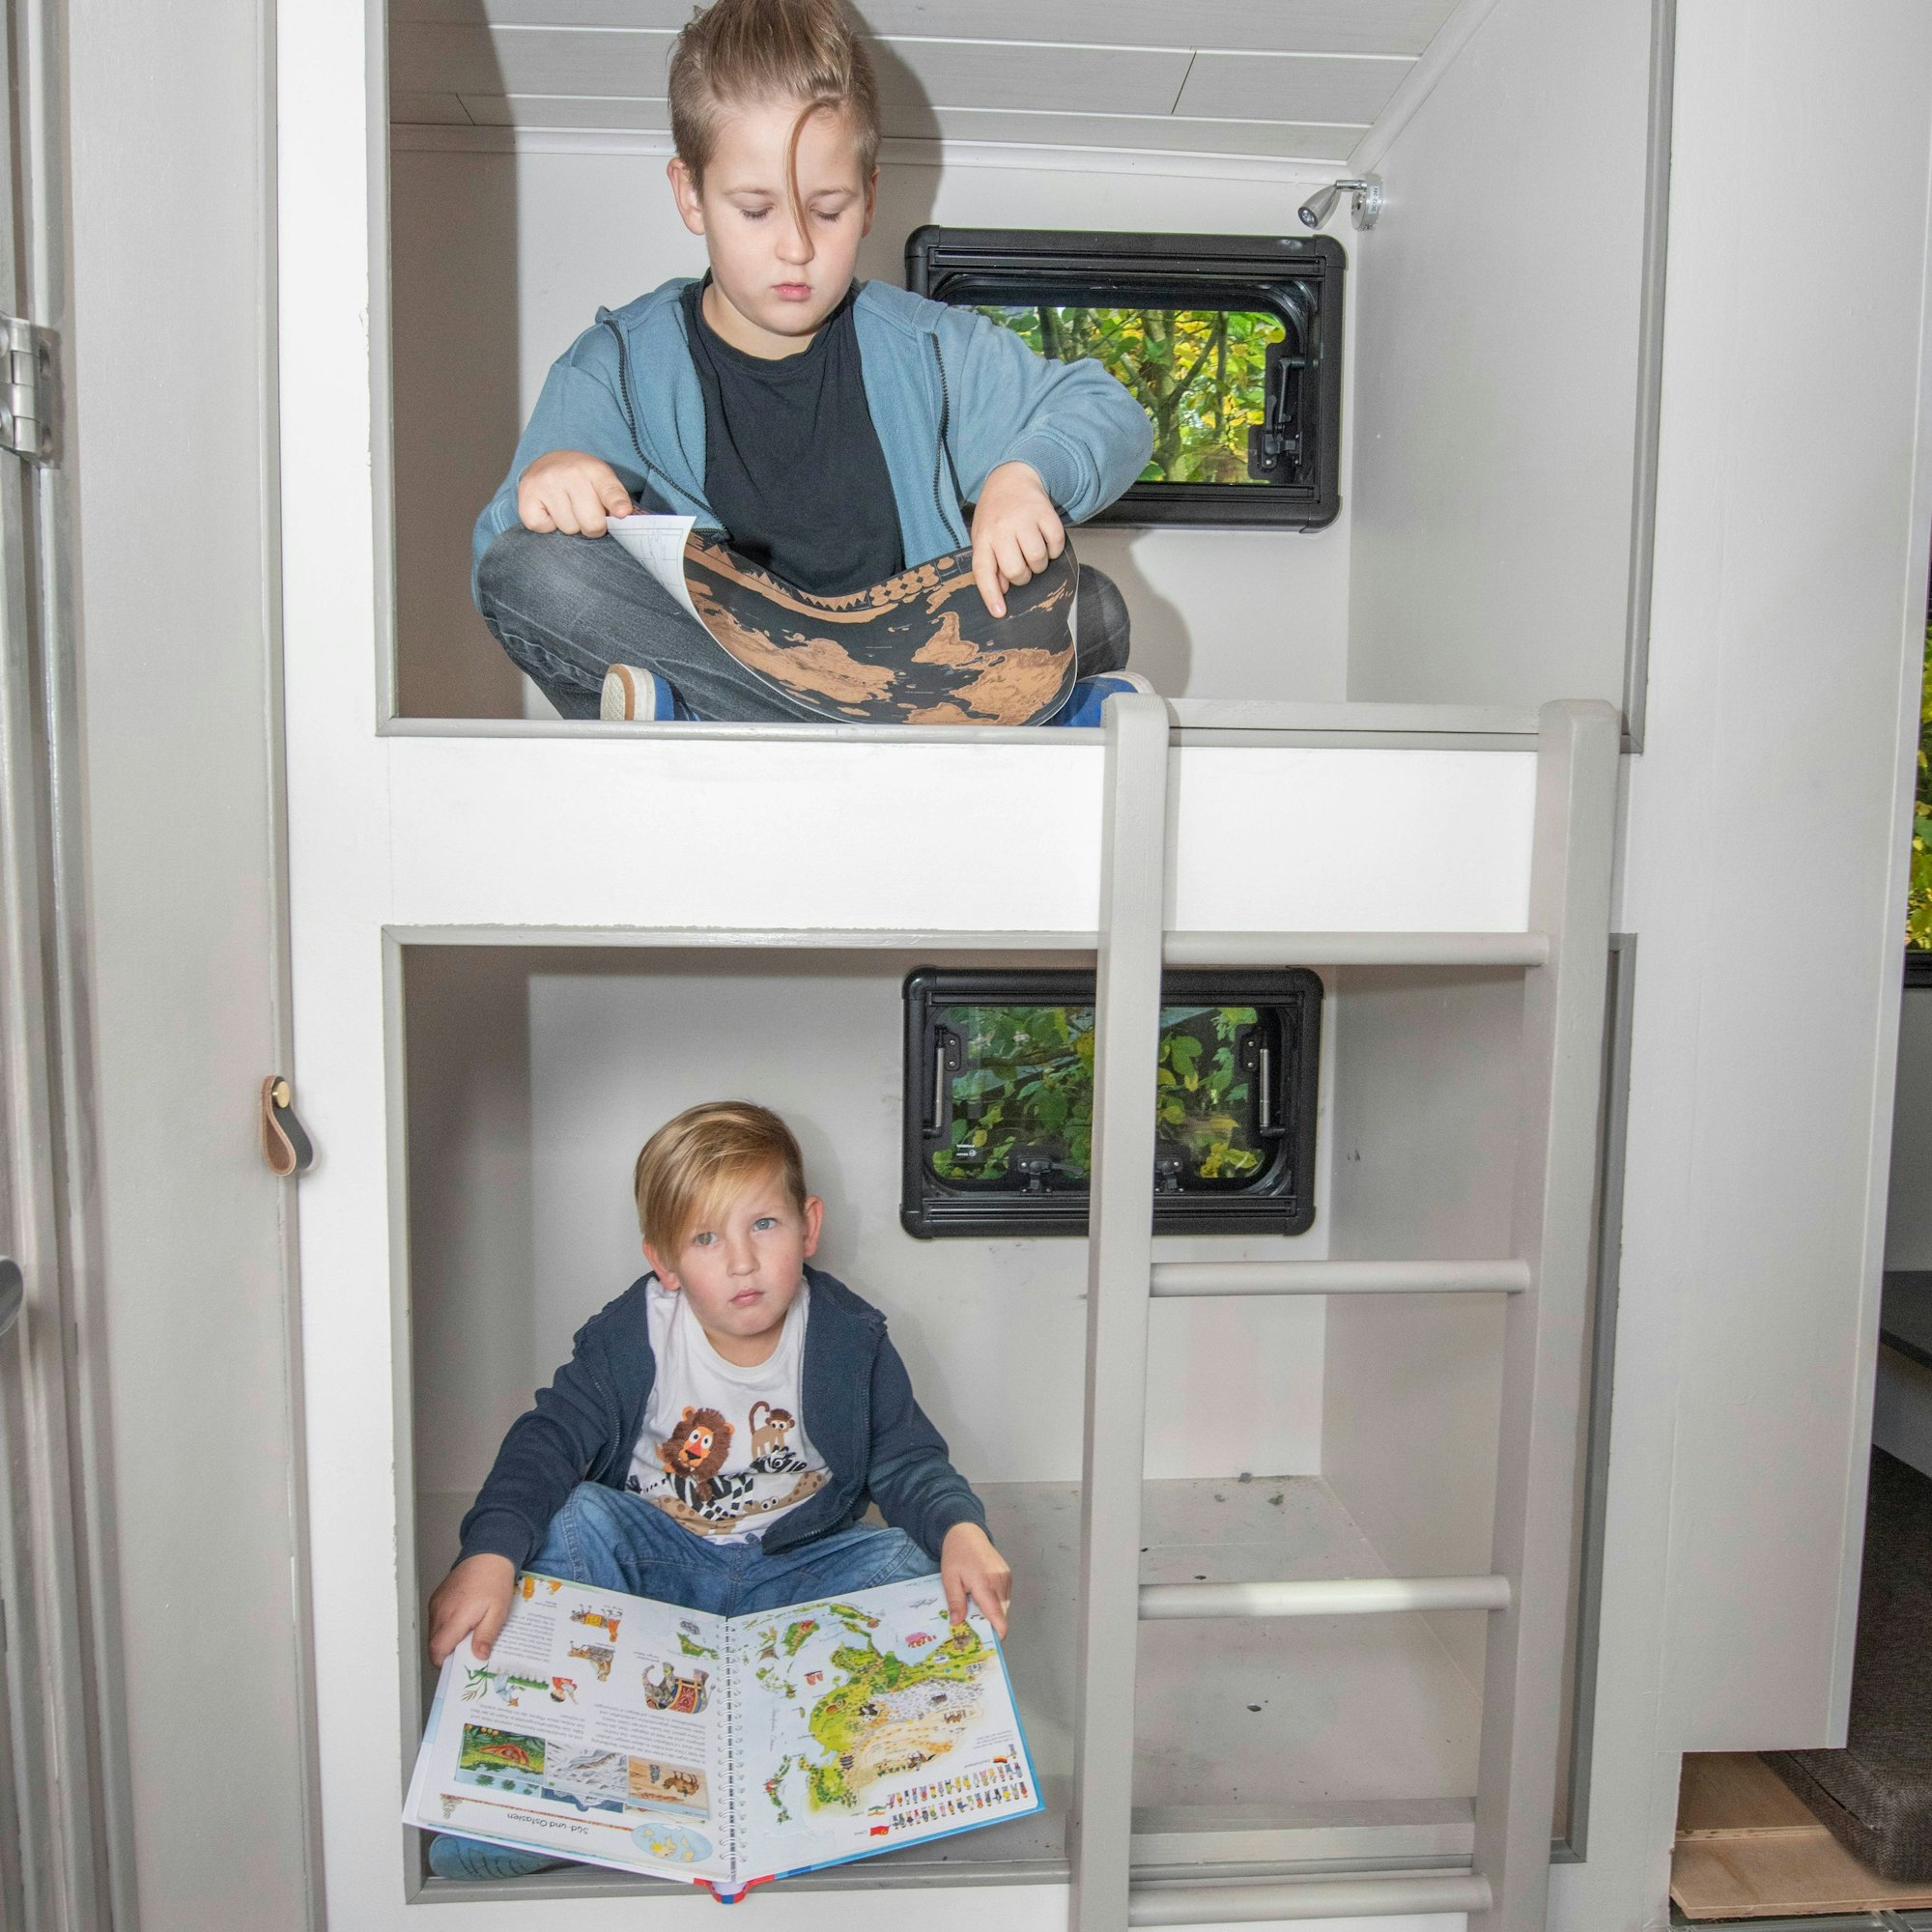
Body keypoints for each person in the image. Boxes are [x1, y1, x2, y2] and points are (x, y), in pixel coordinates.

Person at [470, 0, 1154, 726]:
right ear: (690, 194)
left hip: (910, 665)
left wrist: (1027, 475)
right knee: (537, 569)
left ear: (867, 199)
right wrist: (546, 486)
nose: (795, 247)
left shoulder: (929, 348)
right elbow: (504, 566)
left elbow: (1111, 411)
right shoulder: (614, 365)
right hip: (737, 659)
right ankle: (884, 738)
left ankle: (739, 733)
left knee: (1090, 601)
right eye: (757, 211)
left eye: (826, 210)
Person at [422, 1100, 1012, 1879]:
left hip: (790, 1577)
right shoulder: (631, 1334)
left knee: (912, 1562)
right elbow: (548, 1442)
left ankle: (823, 1786)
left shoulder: (848, 1335)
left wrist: (960, 1529)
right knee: (574, 1521)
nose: (741, 1261)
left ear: (809, 1224)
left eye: (763, 1226)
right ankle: (541, 1807)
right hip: (660, 1576)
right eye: (706, 1238)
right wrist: (489, 1553)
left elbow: (904, 1458)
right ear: (664, 1261)